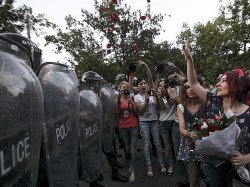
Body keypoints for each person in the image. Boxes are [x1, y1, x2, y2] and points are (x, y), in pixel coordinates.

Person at [182, 41, 250, 186]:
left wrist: (247, 158)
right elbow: (193, 83)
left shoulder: (248, 114)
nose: (218, 84)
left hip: (240, 173)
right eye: (219, 81)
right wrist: (189, 59)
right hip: (214, 164)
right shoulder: (213, 101)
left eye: (224, 81)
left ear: (235, 85)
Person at [81, 71, 128, 185]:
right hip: (88, 134)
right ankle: (93, 179)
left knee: (109, 150)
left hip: (102, 129)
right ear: (87, 82)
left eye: (97, 83)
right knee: (91, 158)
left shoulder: (99, 94)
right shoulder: (82, 95)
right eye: (94, 83)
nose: (96, 85)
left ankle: (114, 172)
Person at [134, 61, 166, 177]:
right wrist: (146, 102)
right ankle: (149, 166)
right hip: (143, 123)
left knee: (158, 144)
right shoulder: (136, 97)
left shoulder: (152, 93)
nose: (143, 85)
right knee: (146, 145)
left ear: (147, 85)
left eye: (145, 83)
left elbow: (151, 78)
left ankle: (162, 164)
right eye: (141, 83)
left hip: (154, 121)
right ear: (138, 86)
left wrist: (147, 66)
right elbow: (140, 111)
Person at [177, 77, 207, 187]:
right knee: (194, 181)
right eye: (187, 87)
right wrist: (190, 134)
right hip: (189, 146)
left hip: (208, 144)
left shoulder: (207, 104)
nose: (190, 89)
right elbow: (182, 129)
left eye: (193, 86)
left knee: (211, 179)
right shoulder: (181, 107)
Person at [116, 81, 139, 182]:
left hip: (133, 125)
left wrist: (132, 103)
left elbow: (136, 111)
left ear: (129, 89)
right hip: (123, 126)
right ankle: (130, 162)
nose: (125, 89)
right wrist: (118, 97)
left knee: (133, 149)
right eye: (123, 87)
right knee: (127, 147)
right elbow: (115, 112)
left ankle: (133, 171)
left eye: (127, 87)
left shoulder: (132, 98)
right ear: (120, 89)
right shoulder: (118, 99)